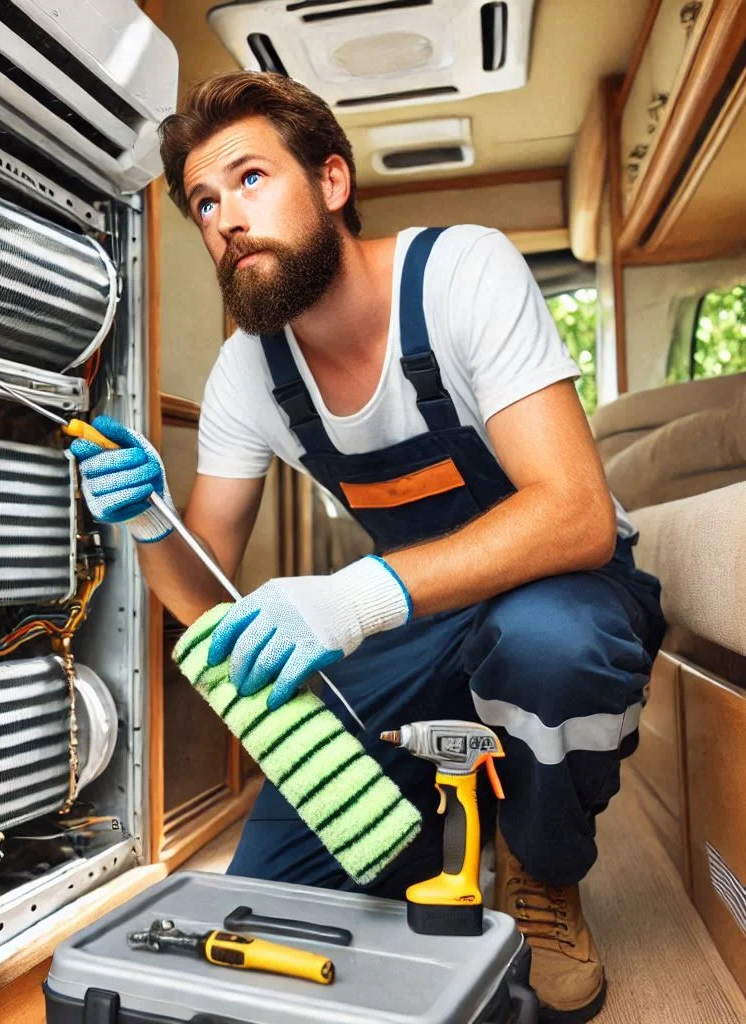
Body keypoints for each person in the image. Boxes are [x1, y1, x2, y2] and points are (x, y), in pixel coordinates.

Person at [71, 72, 665, 1023]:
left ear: (333, 181)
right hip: (424, 615)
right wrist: (149, 521)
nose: (226, 216)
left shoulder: (461, 273)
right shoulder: (248, 373)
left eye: (252, 178)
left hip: (566, 590)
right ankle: (435, 828)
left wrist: (349, 600)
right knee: (276, 899)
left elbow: (575, 513)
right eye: (205, 202)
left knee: (546, 647)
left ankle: (545, 868)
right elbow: (201, 592)